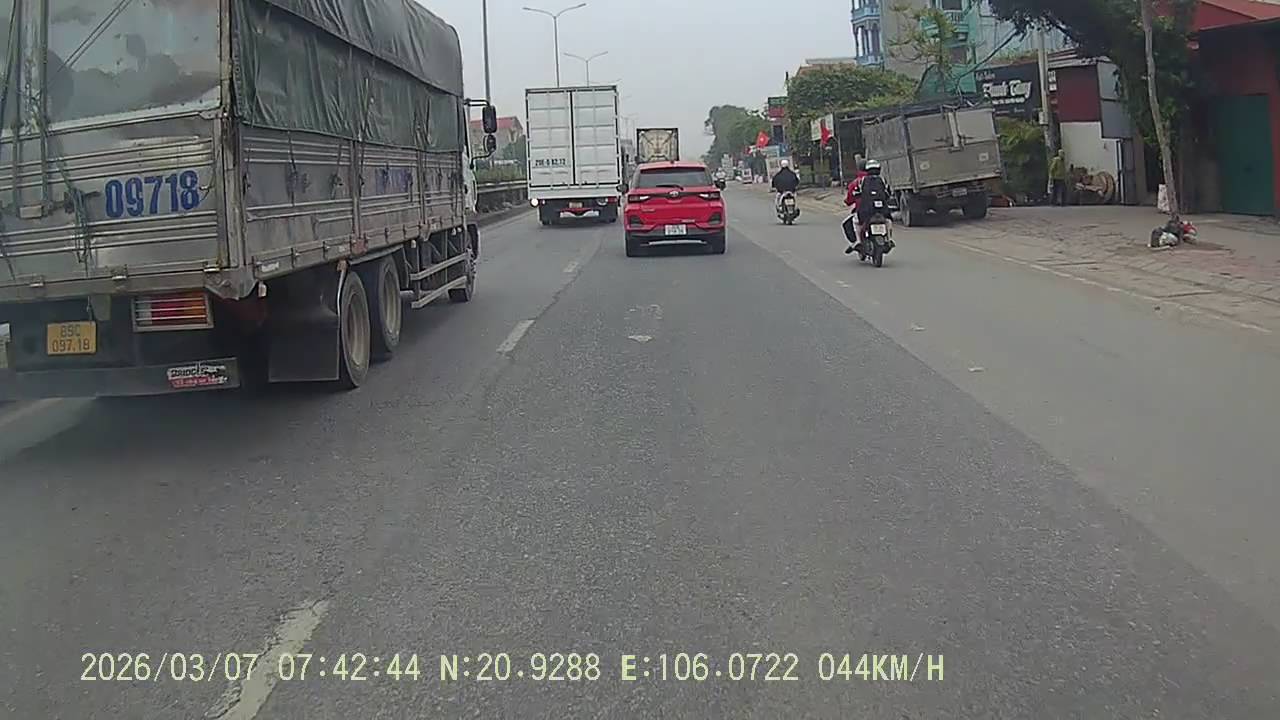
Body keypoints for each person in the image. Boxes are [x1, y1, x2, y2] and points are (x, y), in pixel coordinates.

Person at [844, 159, 891, 253]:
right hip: (882, 209)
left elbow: (852, 195)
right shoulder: (882, 180)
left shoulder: (860, 181)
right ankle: (888, 239)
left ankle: (858, 241)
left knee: (856, 221)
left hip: (865, 209)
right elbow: (888, 193)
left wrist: (852, 199)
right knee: (888, 220)